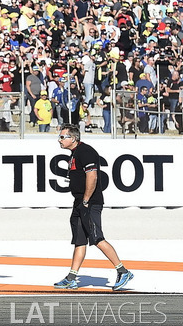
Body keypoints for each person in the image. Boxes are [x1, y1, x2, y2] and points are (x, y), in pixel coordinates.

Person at [54, 124, 134, 291]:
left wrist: (85, 200)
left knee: (97, 238)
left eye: (63, 137)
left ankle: (123, 271)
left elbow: (92, 176)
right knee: (79, 241)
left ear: (73, 139)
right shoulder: (74, 153)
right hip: (79, 202)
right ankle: (71, 278)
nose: (59, 140)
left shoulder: (86, 152)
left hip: (89, 202)